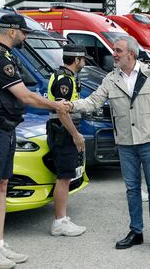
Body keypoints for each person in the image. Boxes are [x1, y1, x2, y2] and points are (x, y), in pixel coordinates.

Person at [0, 14, 70, 269]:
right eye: (24, 33)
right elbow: (25, 95)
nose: (25, 37)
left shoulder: (6, 56)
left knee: (2, 185)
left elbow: (25, 91)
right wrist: (56, 105)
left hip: (5, 128)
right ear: (12, 31)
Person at [69, 36, 150, 252]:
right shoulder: (111, 78)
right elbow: (93, 101)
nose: (113, 54)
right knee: (132, 189)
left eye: (117, 50)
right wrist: (71, 106)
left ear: (131, 54)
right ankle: (136, 231)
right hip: (125, 143)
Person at [47, 44, 88, 236]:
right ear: (76, 59)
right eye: (83, 59)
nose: (85, 62)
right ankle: (59, 222)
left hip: (62, 130)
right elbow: (61, 111)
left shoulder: (65, 76)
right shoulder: (65, 79)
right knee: (63, 177)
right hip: (63, 131)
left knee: (66, 175)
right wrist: (75, 134)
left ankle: (62, 219)